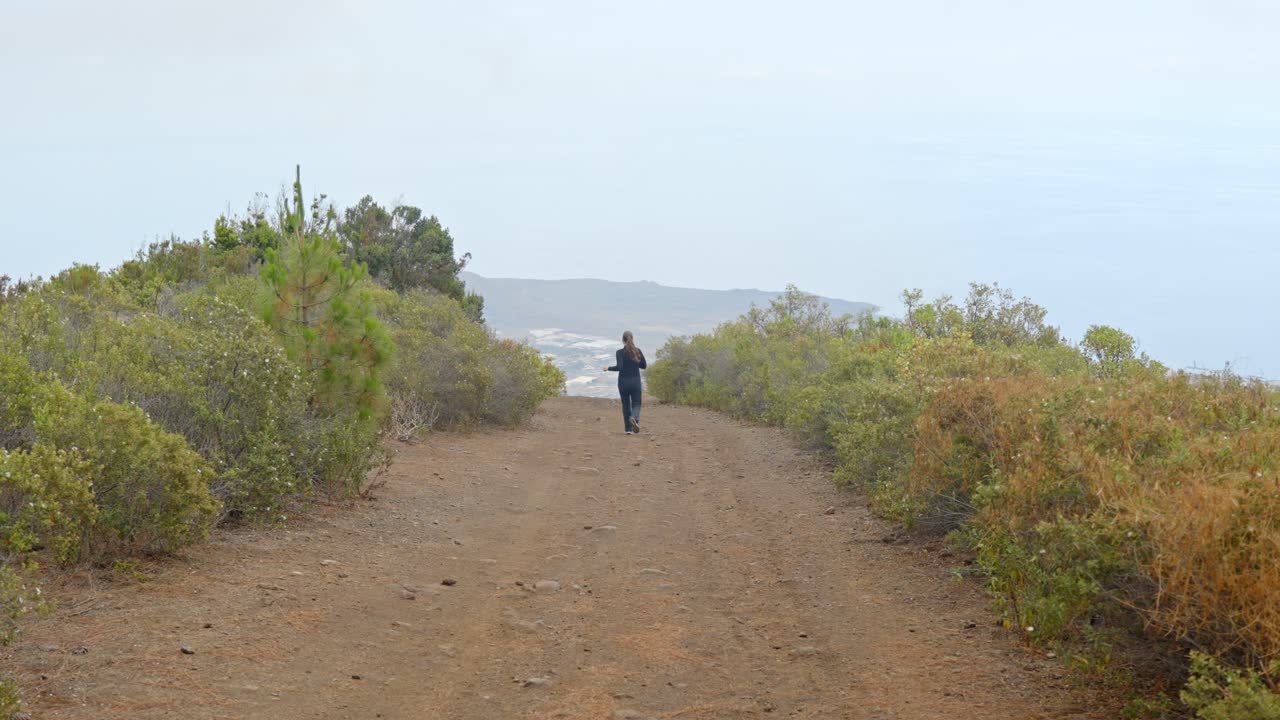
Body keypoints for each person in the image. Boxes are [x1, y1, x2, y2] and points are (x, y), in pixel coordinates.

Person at [603, 330, 646, 434]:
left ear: (623, 340)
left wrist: (608, 368)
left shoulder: (619, 352)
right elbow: (644, 366)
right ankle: (634, 418)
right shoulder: (638, 351)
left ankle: (628, 429)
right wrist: (636, 362)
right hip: (635, 382)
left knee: (626, 405)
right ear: (632, 339)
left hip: (623, 383)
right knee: (636, 404)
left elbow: (619, 367)